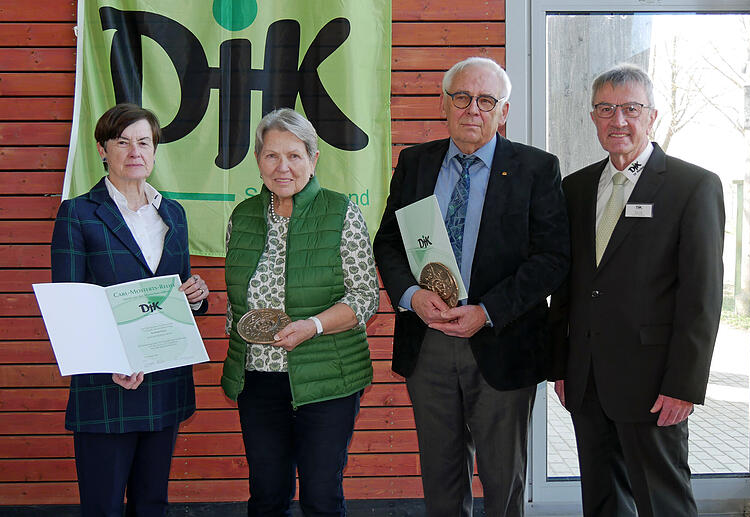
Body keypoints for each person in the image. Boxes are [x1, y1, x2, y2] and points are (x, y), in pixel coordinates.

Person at [373, 57, 570, 516]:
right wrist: (410, 296)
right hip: (429, 342)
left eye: (486, 101)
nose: (472, 110)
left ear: (504, 111)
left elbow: (553, 259)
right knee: (440, 477)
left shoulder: (536, 169)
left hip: (502, 341)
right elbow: (389, 241)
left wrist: (487, 310)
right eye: (462, 98)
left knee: (504, 480)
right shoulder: (416, 163)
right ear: (445, 105)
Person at [548, 64, 725, 516]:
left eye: (631, 108)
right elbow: (567, 286)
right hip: (587, 381)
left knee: (662, 500)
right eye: (606, 109)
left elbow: (701, 297)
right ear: (592, 118)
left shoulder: (693, 186)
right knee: (603, 499)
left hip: (653, 382)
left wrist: (684, 384)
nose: (618, 120)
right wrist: (561, 365)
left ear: (653, 116)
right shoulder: (576, 187)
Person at [50, 103, 210, 517]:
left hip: (164, 379)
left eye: (143, 142)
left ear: (155, 150)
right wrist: (110, 366)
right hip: (108, 385)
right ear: (103, 149)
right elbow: (71, 309)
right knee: (103, 507)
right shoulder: (78, 214)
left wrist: (196, 295)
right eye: (122, 142)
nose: (134, 151)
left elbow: (175, 295)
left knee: (152, 503)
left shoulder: (173, 213)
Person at [220, 108, 378, 517]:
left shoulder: (341, 212)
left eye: (294, 155)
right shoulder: (242, 218)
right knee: (267, 497)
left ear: (313, 158)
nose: (283, 166)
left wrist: (314, 325)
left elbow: (365, 297)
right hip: (258, 383)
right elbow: (237, 302)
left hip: (327, 379)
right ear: (258, 161)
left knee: (321, 498)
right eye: (271, 156)